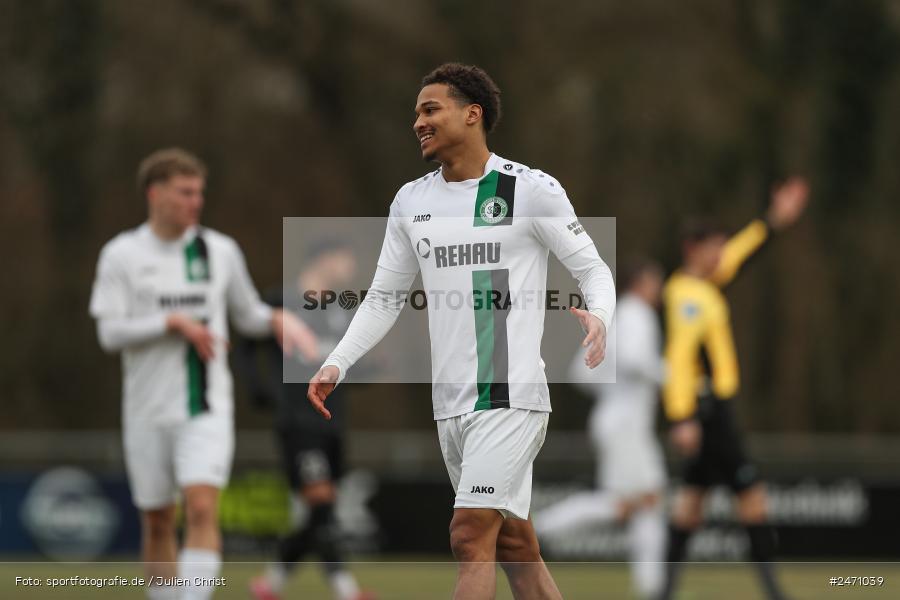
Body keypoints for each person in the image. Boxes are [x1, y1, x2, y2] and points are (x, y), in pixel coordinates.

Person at [306, 63, 616, 600]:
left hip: (510, 393)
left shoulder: (531, 190)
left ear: (473, 115)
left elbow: (593, 269)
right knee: (518, 549)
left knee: (469, 534)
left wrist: (600, 317)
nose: (418, 123)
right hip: (449, 403)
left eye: (430, 110)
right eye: (416, 113)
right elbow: (384, 295)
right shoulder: (410, 201)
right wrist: (339, 360)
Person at [89, 148, 317, 600]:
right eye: (185, 192)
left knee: (199, 507)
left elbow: (246, 313)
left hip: (205, 408)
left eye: (200, 192)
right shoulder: (122, 254)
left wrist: (277, 319)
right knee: (156, 520)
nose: (196, 201)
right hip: (146, 411)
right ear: (155, 194)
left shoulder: (220, 250)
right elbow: (109, 333)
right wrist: (171, 323)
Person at [659, 178, 809, 600]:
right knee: (752, 497)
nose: (721, 255)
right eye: (714, 248)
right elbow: (679, 362)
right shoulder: (686, 296)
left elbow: (742, 253)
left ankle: (663, 593)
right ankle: (774, 592)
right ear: (693, 249)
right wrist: (682, 417)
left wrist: (772, 221)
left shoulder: (704, 285)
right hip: (709, 412)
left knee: (689, 507)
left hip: (708, 410)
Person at [240, 241, 375, 600]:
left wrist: (370, 369)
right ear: (323, 259)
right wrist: (258, 386)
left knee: (320, 514)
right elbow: (245, 343)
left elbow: (344, 365)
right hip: (298, 423)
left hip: (334, 424)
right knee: (322, 504)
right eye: (344, 257)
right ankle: (346, 591)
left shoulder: (342, 309)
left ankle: (270, 584)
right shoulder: (280, 300)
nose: (350, 266)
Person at [534, 258, 667, 599]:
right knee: (641, 502)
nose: (660, 289)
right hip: (626, 425)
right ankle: (535, 530)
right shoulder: (637, 313)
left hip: (616, 421)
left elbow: (582, 372)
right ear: (642, 281)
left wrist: (613, 389)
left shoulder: (619, 315)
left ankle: (537, 530)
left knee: (634, 503)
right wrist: (673, 375)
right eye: (656, 281)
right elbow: (636, 359)